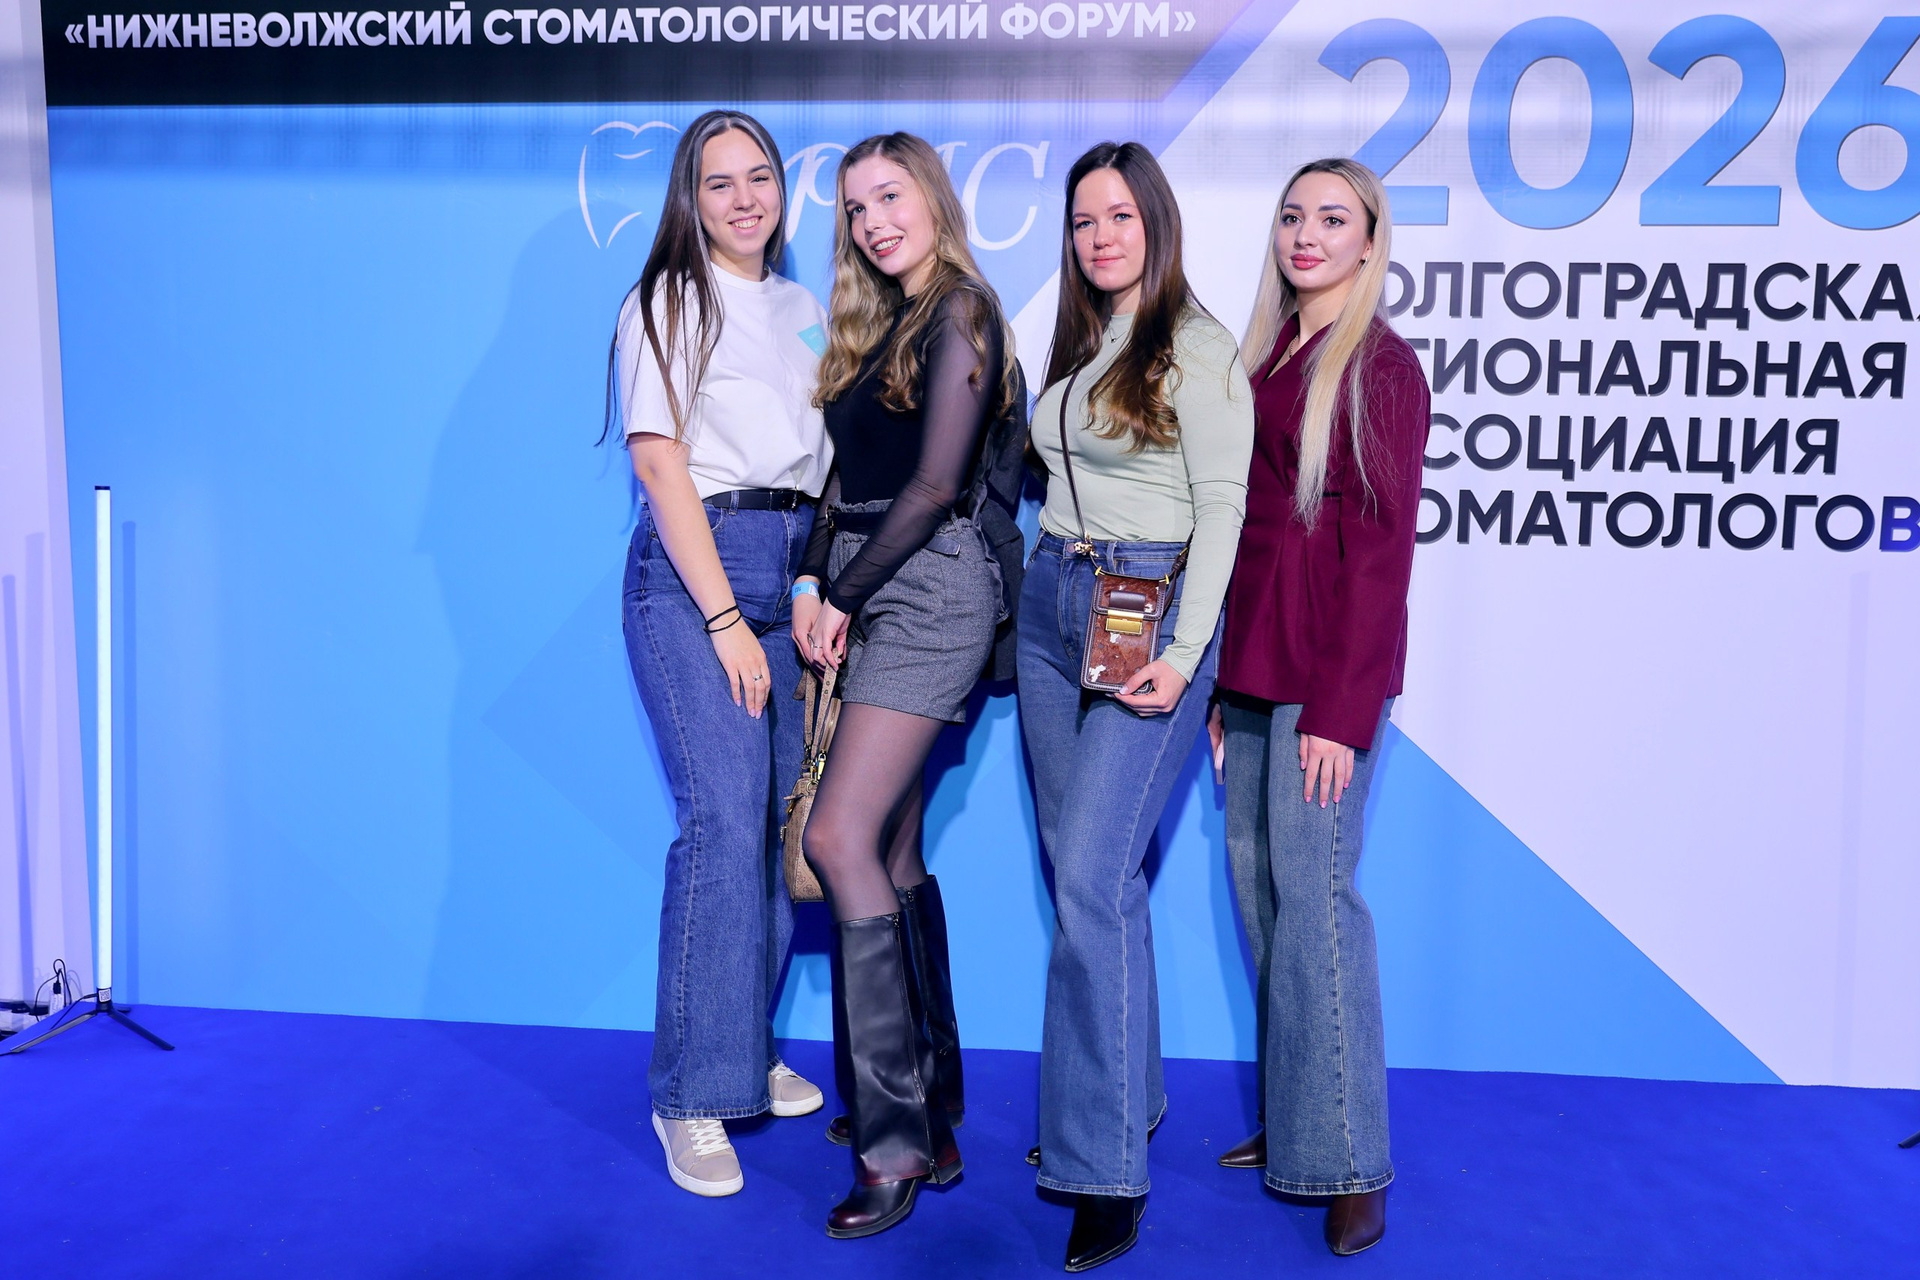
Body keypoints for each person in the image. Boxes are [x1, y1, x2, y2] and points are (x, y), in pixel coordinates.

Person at [1020, 141, 1253, 1272]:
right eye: (1083, 220)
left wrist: (1188, 652)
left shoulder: (1198, 348)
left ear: (1157, 221)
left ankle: (1104, 1167)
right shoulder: (1082, 338)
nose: (1101, 236)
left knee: (1090, 879)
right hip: (1051, 605)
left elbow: (1225, 507)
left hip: (1148, 611)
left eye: (1120, 215)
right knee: (1089, 877)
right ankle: (1119, 1097)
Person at [792, 131, 1022, 1240]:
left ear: (932, 198)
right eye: (855, 207)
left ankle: (892, 1148)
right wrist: (809, 575)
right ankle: (931, 1106)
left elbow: (934, 486)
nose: (874, 221)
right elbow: (846, 479)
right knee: (887, 851)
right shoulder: (875, 323)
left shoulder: (962, 311)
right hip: (864, 576)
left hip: (929, 587)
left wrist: (843, 595)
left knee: (836, 837)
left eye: (890, 197)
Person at [609, 109, 831, 1200]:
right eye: (719, 183)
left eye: (760, 178)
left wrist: (808, 587)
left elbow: (822, 471)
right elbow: (661, 467)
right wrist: (723, 619)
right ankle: (691, 1093)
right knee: (724, 819)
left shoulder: (804, 308)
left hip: (793, 571)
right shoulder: (667, 300)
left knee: (784, 821)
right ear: (689, 201)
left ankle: (740, 1044)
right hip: (698, 572)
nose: (744, 199)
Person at [1209, 157, 1428, 1257]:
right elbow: (1243, 534)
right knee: (1262, 897)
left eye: (1333, 219)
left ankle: (1348, 1156)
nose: (1307, 233)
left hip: (1323, 682)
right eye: (1294, 215)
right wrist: (1217, 683)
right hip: (1251, 667)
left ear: (1369, 240)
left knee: (1317, 901)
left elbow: (1380, 559)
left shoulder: (1380, 367)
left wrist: (1341, 712)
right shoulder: (1266, 354)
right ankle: (1298, 1112)